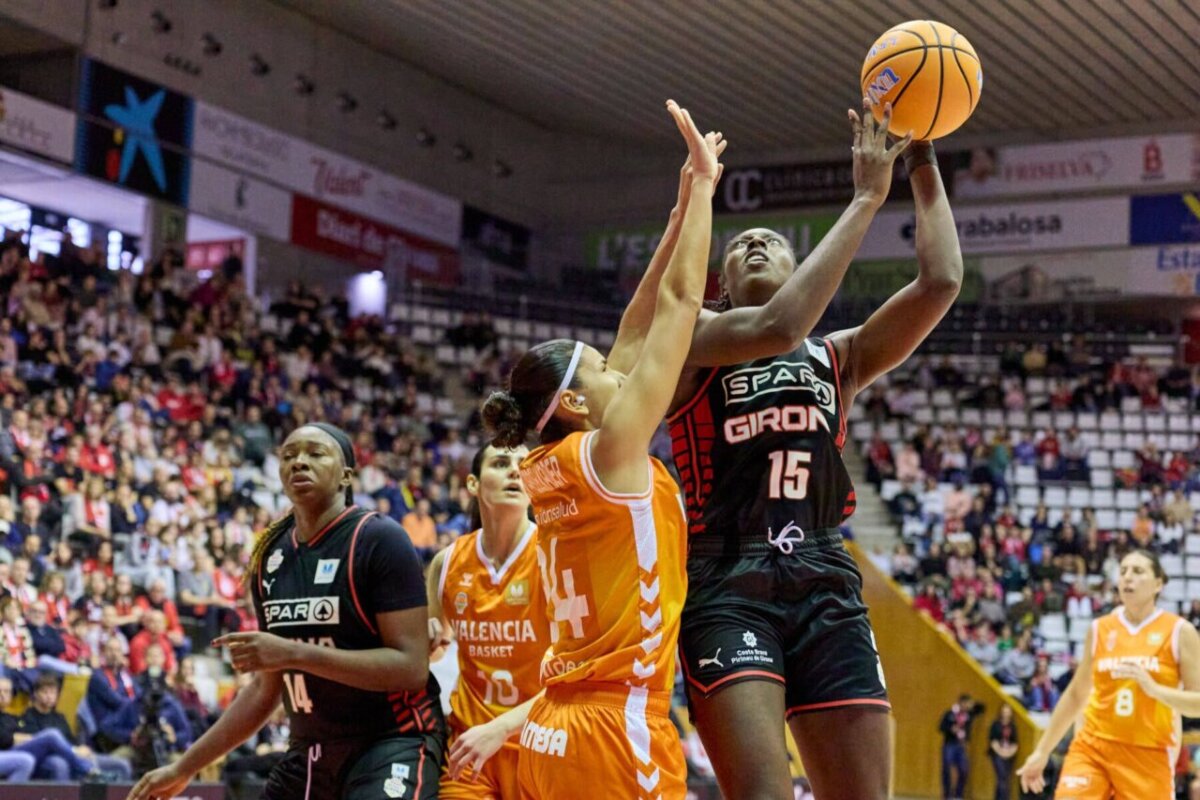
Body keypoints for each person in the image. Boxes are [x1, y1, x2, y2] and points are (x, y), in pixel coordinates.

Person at [657, 102, 960, 799]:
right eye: (740, 246)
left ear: (802, 267)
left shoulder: (838, 356)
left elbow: (940, 281)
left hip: (824, 573)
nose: (755, 244)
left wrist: (922, 158)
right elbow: (778, 321)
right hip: (727, 582)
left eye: (771, 241)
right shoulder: (693, 339)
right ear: (721, 284)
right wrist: (863, 199)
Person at [479, 100, 720, 800]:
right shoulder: (611, 453)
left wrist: (675, 217)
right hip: (618, 731)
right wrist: (705, 188)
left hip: (554, 728)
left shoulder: (546, 461)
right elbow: (677, 308)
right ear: (579, 404)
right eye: (605, 371)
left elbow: (633, 327)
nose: (623, 371)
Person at [129, 422, 444, 800]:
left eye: (315, 453)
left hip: (392, 741)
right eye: (289, 456)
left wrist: (294, 653)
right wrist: (184, 768)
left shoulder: (379, 539)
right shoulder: (270, 556)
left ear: (346, 473)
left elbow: (410, 669)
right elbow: (266, 688)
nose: (299, 463)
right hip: (312, 750)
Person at [1018, 549, 1200, 798]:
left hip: (1147, 752)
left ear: (1158, 583)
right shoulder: (1100, 629)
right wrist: (1042, 751)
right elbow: (1075, 695)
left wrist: (1155, 690)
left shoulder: (1180, 631)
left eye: (1137, 571)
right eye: (1123, 571)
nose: (1127, 577)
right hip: (1094, 746)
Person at [426, 444, 549, 798]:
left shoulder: (554, 554)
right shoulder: (447, 563)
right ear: (473, 484)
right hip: (469, 747)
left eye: (523, 465)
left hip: (540, 741)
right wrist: (428, 638)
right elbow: (433, 652)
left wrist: (503, 728)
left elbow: (574, 676)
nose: (514, 471)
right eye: (500, 463)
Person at [19, 671, 133, 780]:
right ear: (35, 694)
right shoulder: (28, 717)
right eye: (45, 692)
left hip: (74, 755)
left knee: (122, 765)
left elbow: (72, 740)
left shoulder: (60, 717)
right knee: (60, 764)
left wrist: (80, 748)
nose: (49, 696)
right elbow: (40, 745)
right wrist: (74, 751)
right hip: (48, 759)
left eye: (53, 692)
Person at [939, 694, 984, 800]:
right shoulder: (950, 713)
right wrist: (951, 728)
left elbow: (982, 707)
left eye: (969, 704)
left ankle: (958, 795)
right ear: (961, 703)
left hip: (961, 745)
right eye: (966, 703)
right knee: (946, 768)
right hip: (949, 744)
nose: (967, 706)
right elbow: (941, 727)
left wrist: (972, 704)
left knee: (964, 769)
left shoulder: (969, 714)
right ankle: (947, 795)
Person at [989, 704, 1018, 800]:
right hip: (997, 754)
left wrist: (1009, 753)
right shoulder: (996, 724)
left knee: (1006, 779)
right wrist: (1001, 752)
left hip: (1010, 755)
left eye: (1008, 711)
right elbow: (993, 741)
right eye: (1004, 711)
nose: (1006, 713)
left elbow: (1015, 742)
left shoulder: (1012, 726)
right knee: (1001, 777)